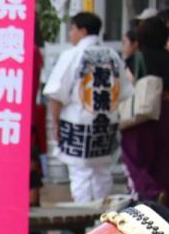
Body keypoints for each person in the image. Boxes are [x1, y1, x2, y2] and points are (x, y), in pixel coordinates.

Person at [43, 12, 129, 205]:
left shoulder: (73, 55)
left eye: (72, 29)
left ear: (82, 31)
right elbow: (124, 91)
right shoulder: (113, 56)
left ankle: (82, 221)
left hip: (78, 123)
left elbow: (56, 93)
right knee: (103, 173)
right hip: (106, 123)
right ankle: (104, 221)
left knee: (80, 175)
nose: (70, 34)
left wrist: (55, 124)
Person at [120, 16, 169, 209]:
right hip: (166, 113)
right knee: (165, 163)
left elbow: (129, 87)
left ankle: (147, 197)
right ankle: (165, 207)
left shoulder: (136, 59)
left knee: (136, 159)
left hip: (141, 117)